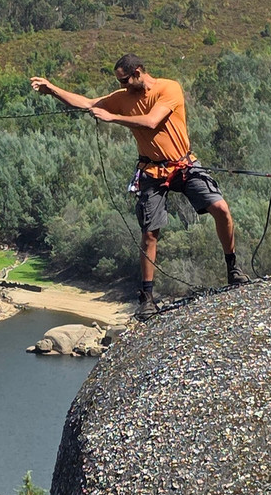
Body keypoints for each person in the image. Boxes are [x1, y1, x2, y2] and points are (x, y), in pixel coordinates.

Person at [31, 54, 249, 314]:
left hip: (183, 164)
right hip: (152, 170)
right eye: (120, 82)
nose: (122, 86)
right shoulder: (123, 97)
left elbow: (152, 121)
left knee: (221, 209)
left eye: (125, 80)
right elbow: (87, 103)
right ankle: (146, 298)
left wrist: (113, 118)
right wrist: (52, 89)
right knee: (149, 234)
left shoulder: (168, 88)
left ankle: (233, 267)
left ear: (137, 72)